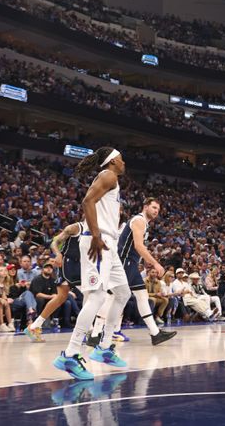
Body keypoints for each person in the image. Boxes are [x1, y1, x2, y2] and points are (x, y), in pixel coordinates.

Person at [53, 147, 129, 380]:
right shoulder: (109, 175)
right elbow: (87, 202)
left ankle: (104, 348)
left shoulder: (111, 179)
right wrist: (95, 235)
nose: (124, 162)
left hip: (109, 243)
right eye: (122, 158)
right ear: (114, 160)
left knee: (123, 293)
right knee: (97, 297)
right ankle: (70, 353)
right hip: (99, 241)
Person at [87, 198, 175, 346]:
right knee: (111, 297)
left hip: (131, 263)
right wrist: (156, 264)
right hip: (123, 262)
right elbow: (139, 246)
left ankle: (155, 333)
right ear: (145, 206)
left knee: (142, 295)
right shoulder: (139, 220)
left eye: (158, 210)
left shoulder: (143, 223)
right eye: (153, 207)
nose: (156, 211)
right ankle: (95, 334)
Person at [25, 221, 84, 342]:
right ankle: (89, 332)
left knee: (60, 298)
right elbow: (54, 242)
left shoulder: (99, 229)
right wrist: (58, 254)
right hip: (68, 264)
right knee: (92, 296)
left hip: (82, 264)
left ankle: (34, 326)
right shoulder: (74, 227)